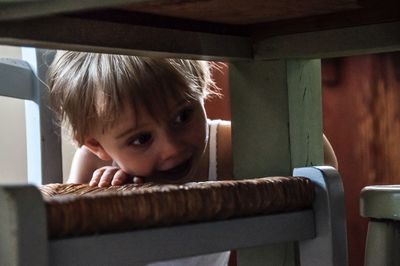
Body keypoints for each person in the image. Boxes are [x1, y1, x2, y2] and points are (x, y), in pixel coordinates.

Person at [47, 50, 338, 265]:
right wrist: (105, 205)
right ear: (98, 145)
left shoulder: (225, 149)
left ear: (201, 87)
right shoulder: (95, 166)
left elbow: (314, 155)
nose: (172, 147)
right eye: (141, 139)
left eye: (183, 116)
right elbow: (72, 255)